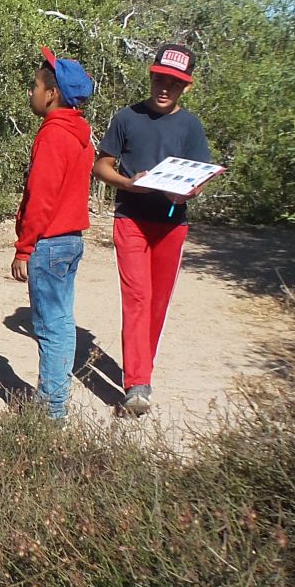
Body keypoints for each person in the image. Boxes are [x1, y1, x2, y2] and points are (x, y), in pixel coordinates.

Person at [93, 43, 213, 416]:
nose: (165, 88)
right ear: (151, 76)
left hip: (171, 224)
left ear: (186, 86)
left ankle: (142, 371)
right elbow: (102, 166)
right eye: (160, 79)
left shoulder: (191, 125)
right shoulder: (127, 117)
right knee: (137, 298)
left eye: (174, 83)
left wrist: (189, 190)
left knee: (157, 304)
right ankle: (137, 384)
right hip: (130, 218)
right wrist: (129, 184)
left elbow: (200, 177)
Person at [11, 47, 96, 422]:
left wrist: (24, 248)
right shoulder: (80, 134)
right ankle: (54, 402)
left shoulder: (53, 135)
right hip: (71, 240)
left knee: (49, 327)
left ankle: (51, 409)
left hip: (48, 242)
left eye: (35, 86)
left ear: (53, 93)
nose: (31, 92)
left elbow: (41, 198)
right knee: (62, 322)